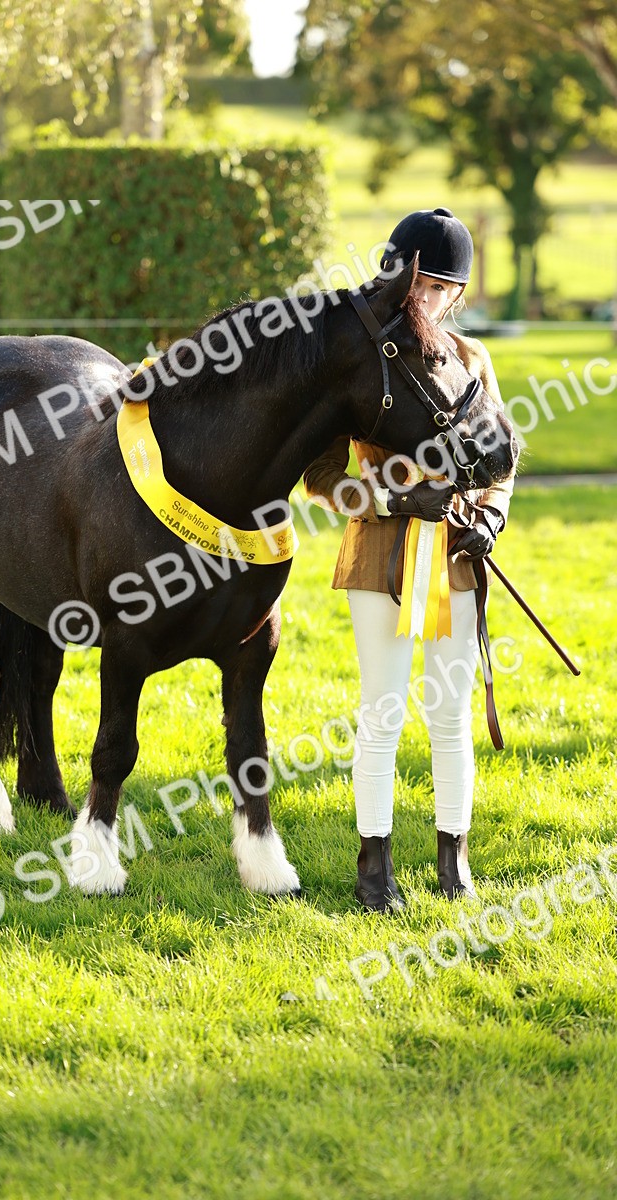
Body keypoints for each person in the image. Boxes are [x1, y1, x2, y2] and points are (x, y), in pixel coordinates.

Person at [303, 207, 516, 913]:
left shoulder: (473, 359)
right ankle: (374, 864)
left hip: (455, 557)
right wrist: (398, 502)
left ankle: (454, 857)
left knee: (451, 714)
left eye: (438, 290)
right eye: (414, 286)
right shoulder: (358, 357)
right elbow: (325, 477)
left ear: (455, 294)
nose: (423, 301)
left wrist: (490, 515)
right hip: (379, 557)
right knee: (384, 711)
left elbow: (497, 461)